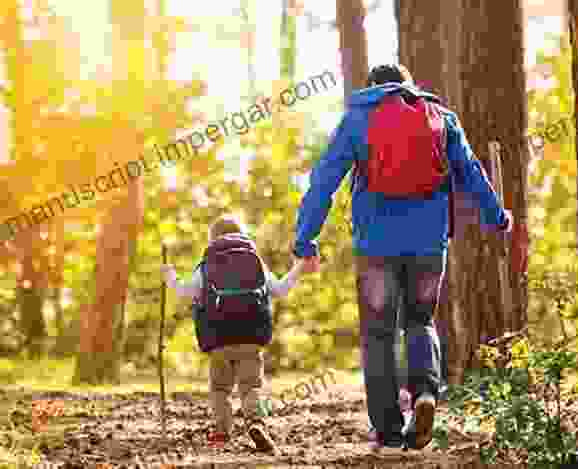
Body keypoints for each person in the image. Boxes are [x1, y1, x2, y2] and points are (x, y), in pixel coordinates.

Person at [291, 64, 512, 451]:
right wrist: (497, 218)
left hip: (376, 244)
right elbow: (472, 172)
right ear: (409, 86)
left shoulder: (359, 117)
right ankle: (426, 394)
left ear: (372, 89)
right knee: (420, 320)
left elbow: (324, 180)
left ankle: (390, 431)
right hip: (428, 243)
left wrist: (305, 239)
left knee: (378, 334)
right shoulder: (440, 118)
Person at [161, 214, 317, 453]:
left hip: (218, 339)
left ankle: (222, 431)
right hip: (251, 338)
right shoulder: (255, 262)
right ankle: (255, 422)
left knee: (220, 389)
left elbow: (185, 291)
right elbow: (280, 289)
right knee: (251, 386)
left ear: (213, 239)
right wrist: (299, 267)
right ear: (243, 236)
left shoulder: (207, 264)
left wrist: (170, 275)